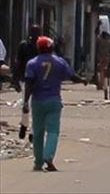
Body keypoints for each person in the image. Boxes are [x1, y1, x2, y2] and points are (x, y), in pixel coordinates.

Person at [23, 36, 87, 172]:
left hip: (37, 101)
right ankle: (48, 155)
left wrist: (25, 102)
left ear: (38, 48)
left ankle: (38, 162)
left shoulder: (32, 63)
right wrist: (82, 80)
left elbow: (28, 84)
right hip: (53, 100)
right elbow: (71, 76)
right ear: (51, 47)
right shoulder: (59, 62)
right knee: (52, 130)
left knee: (38, 132)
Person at [14, 25, 42, 93]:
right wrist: (15, 80)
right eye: (33, 31)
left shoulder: (42, 45)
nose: (35, 34)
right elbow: (18, 62)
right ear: (30, 32)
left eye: (37, 32)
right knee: (26, 95)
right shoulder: (24, 45)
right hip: (26, 77)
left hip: (39, 78)